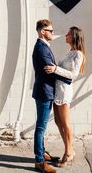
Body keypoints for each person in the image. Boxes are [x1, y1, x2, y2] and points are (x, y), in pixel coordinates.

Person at [44, 26, 86, 167]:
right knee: (58, 121)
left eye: (68, 34)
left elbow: (73, 75)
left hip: (64, 91)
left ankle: (68, 153)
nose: (65, 36)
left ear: (74, 36)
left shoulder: (78, 55)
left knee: (66, 123)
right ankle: (70, 150)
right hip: (57, 89)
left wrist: (56, 69)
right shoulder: (70, 52)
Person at [32, 19, 60, 173]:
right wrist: (67, 76)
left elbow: (52, 69)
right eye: (50, 30)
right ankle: (39, 161)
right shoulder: (41, 48)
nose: (52, 33)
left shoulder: (43, 46)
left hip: (44, 90)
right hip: (44, 91)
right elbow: (50, 70)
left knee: (41, 126)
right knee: (41, 127)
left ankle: (42, 152)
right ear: (43, 32)